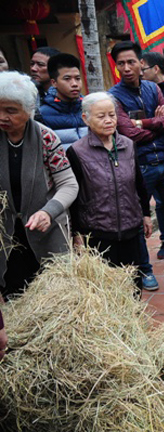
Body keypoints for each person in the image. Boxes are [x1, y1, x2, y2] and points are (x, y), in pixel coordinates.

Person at [108, 41, 164, 289]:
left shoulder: (153, 88)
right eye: (121, 63)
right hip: (138, 165)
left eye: (131, 61)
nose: (126, 67)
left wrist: (144, 124)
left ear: (140, 62)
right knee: (140, 220)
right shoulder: (114, 96)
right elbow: (127, 133)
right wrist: (157, 123)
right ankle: (145, 270)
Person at [0, 71, 79, 301]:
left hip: (45, 231)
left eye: (11, 110)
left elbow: (68, 184)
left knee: (54, 296)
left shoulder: (46, 138)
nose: (2, 116)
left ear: (28, 111)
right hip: (8, 236)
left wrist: (48, 211)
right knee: (15, 294)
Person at [67, 92, 152, 291]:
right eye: (101, 116)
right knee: (106, 291)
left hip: (131, 229)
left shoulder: (128, 145)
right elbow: (74, 197)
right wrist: (76, 234)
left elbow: (139, 183)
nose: (108, 120)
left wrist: (146, 214)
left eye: (112, 115)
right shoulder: (77, 152)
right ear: (86, 119)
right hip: (98, 233)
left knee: (133, 286)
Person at [39, 53, 88, 150]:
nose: (74, 84)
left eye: (77, 79)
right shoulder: (43, 114)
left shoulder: (89, 107)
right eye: (67, 79)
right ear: (54, 82)